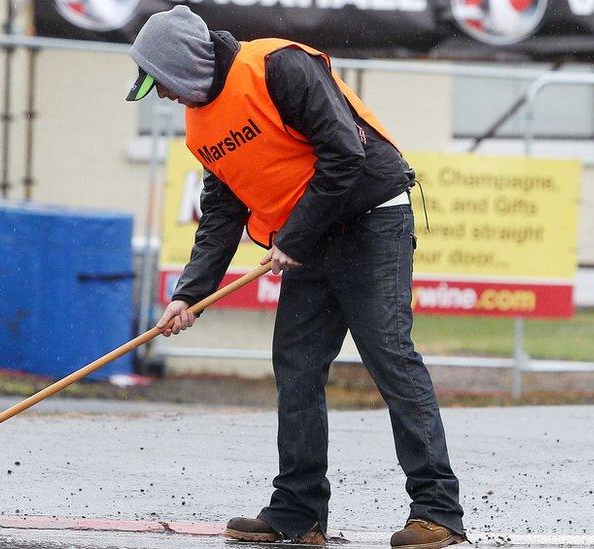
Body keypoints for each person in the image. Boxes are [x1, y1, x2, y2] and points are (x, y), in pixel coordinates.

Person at [126, 6, 466, 548]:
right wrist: (189, 296)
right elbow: (221, 214)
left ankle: (438, 512)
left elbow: (344, 154)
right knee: (297, 365)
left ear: (187, 64)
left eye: (162, 84)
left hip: (372, 217)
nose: (162, 97)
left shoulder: (280, 67)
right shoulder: (201, 126)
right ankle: (298, 513)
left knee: (390, 358)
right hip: (308, 237)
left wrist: (294, 239)